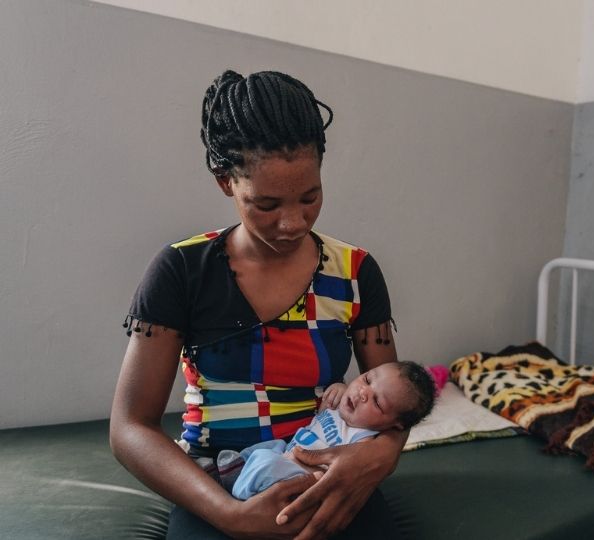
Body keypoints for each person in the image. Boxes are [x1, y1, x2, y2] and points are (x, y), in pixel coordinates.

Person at [110, 69, 407, 539]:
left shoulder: (355, 272)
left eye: (310, 197)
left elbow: (394, 403)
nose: (293, 223)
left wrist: (378, 457)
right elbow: (130, 427)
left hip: (327, 476)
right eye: (266, 205)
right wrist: (230, 515)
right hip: (220, 481)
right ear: (225, 182)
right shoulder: (182, 271)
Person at [219, 362, 435, 501]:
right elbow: (327, 407)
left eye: (377, 402)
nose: (362, 393)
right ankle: (235, 469)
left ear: (394, 426)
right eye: (367, 379)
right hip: (287, 451)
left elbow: (346, 469)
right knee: (269, 447)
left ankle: (238, 492)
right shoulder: (343, 403)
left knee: (267, 462)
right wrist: (340, 389)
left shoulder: (364, 440)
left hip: (299, 477)